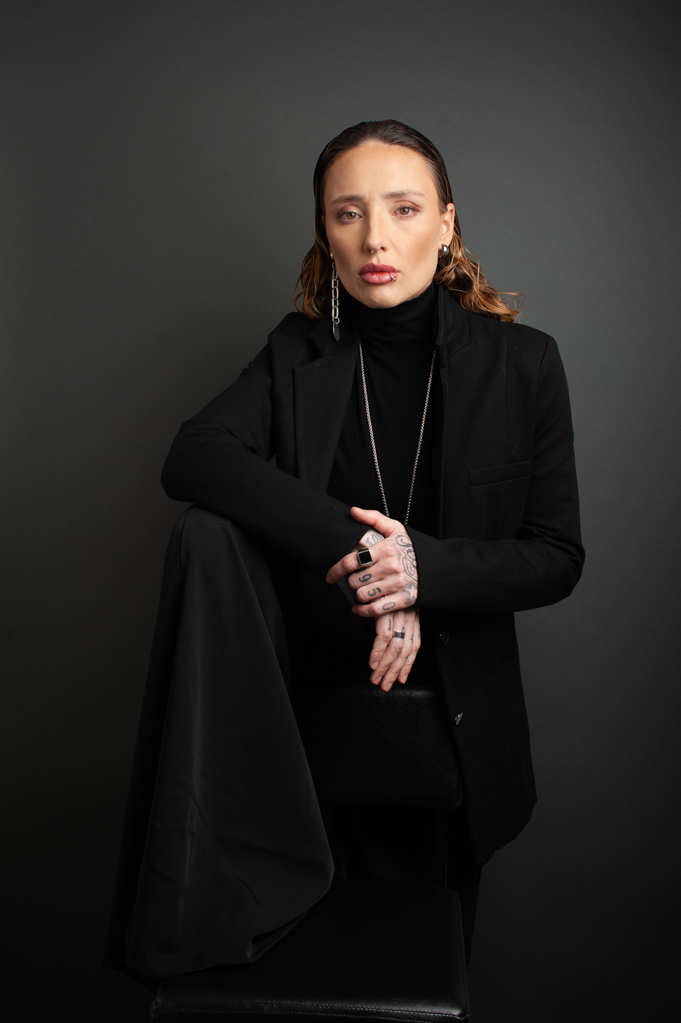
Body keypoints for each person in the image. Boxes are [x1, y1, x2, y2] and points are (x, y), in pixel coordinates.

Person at [104, 120, 584, 985]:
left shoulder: (524, 364)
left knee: (417, 973)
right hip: (297, 735)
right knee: (207, 528)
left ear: (446, 223)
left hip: (453, 738)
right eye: (347, 213)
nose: (374, 239)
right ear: (325, 233)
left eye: (403, 209)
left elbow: (554, 556)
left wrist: (423, 574)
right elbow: (193, 455)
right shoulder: (299, 352)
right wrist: (365, 554)